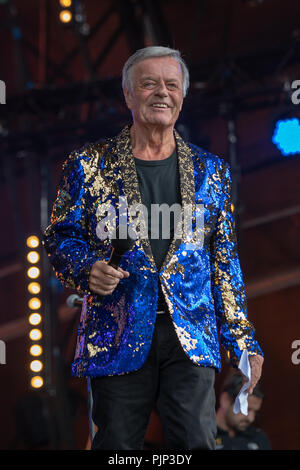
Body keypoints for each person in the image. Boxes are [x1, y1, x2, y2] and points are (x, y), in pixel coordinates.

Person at [42, 46, 264, 450]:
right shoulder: (88, 164)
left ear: (182, 96)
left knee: (196, 443)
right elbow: (59, 236)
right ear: (129, 95)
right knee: (117, 447)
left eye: (171, 84)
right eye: (149, 83)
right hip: (118, 329)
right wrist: (86, 267)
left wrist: (242, 339)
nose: (162, 92)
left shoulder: (211, 171)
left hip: (191, 334)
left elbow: (224, 262)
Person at [216, 372, 271, 450]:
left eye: (255, 412)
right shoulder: (201, 435)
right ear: (225, 400)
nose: (251, 419)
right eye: (246, 409)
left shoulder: (259, 439)